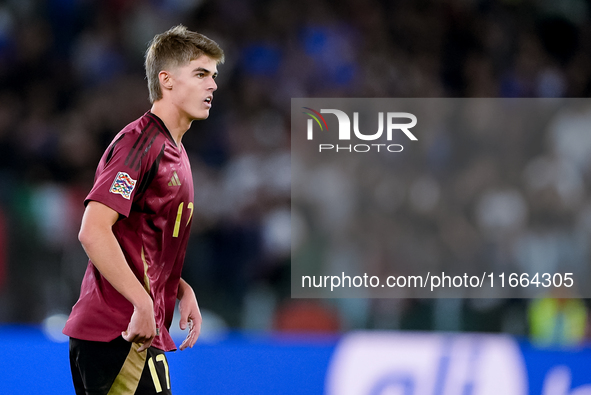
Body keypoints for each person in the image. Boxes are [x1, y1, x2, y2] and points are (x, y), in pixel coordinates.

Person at [63, 25, 224, 394]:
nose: (212, 85)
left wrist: (179, 288)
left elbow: (138, 239)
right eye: (200, 74)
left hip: (134, 329)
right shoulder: (141, 143)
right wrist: (142, 302)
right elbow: (94, 229)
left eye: (213, 76)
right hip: (119, 331)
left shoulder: (175, 151)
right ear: (166, 80)